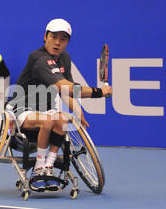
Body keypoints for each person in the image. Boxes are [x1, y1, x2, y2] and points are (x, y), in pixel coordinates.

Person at [9, 18, 112, 191]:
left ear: (68, 42)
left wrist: (77, 110)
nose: (57, 42)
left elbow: (66, 91)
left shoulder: (64, 58)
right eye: (54, 37)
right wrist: (100, 92)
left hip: (46, 110)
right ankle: (38, 168)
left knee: (62, 118)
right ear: (45, 36)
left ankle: (48, 166)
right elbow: (66, 87)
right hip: (22, 109)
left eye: (63, 39)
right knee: (49, 119)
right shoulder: (38, 58)